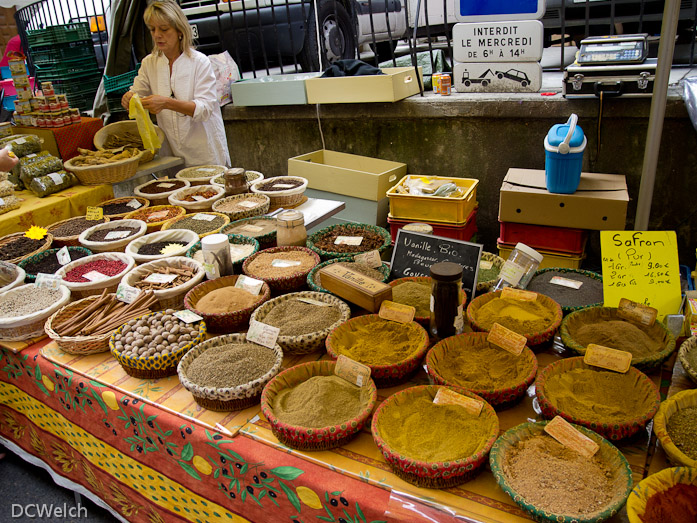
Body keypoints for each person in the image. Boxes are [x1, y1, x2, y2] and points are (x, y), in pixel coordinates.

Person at [121, 0, 230, 167]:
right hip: (171, 152)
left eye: (164, 29)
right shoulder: (149, 63)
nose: (157, 35)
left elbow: (205, 109)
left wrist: (166, 103)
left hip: (203, 151)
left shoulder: (199, 62)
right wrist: (129, 98)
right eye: (152, 29)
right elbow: (137, 92)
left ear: (180, 31)